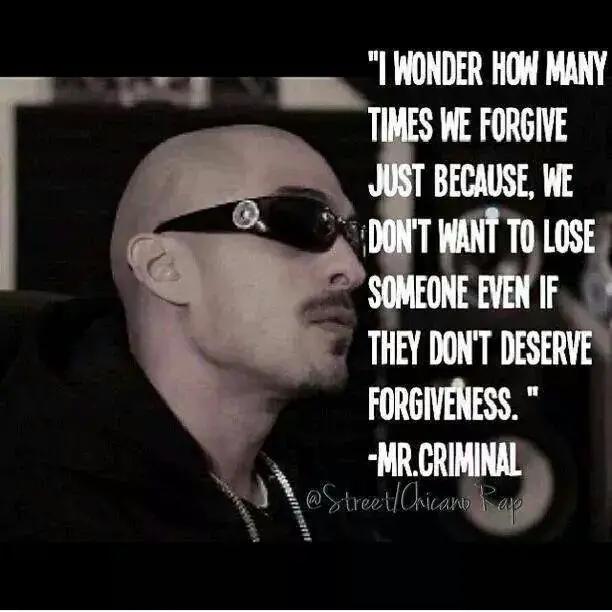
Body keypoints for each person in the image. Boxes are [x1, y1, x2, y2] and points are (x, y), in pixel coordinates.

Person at [0, 124, 376, 541]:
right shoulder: (38, 511)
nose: (352, 270)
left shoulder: (329, 491)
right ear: (164, 268)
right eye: (299, 220)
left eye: (353, 236)